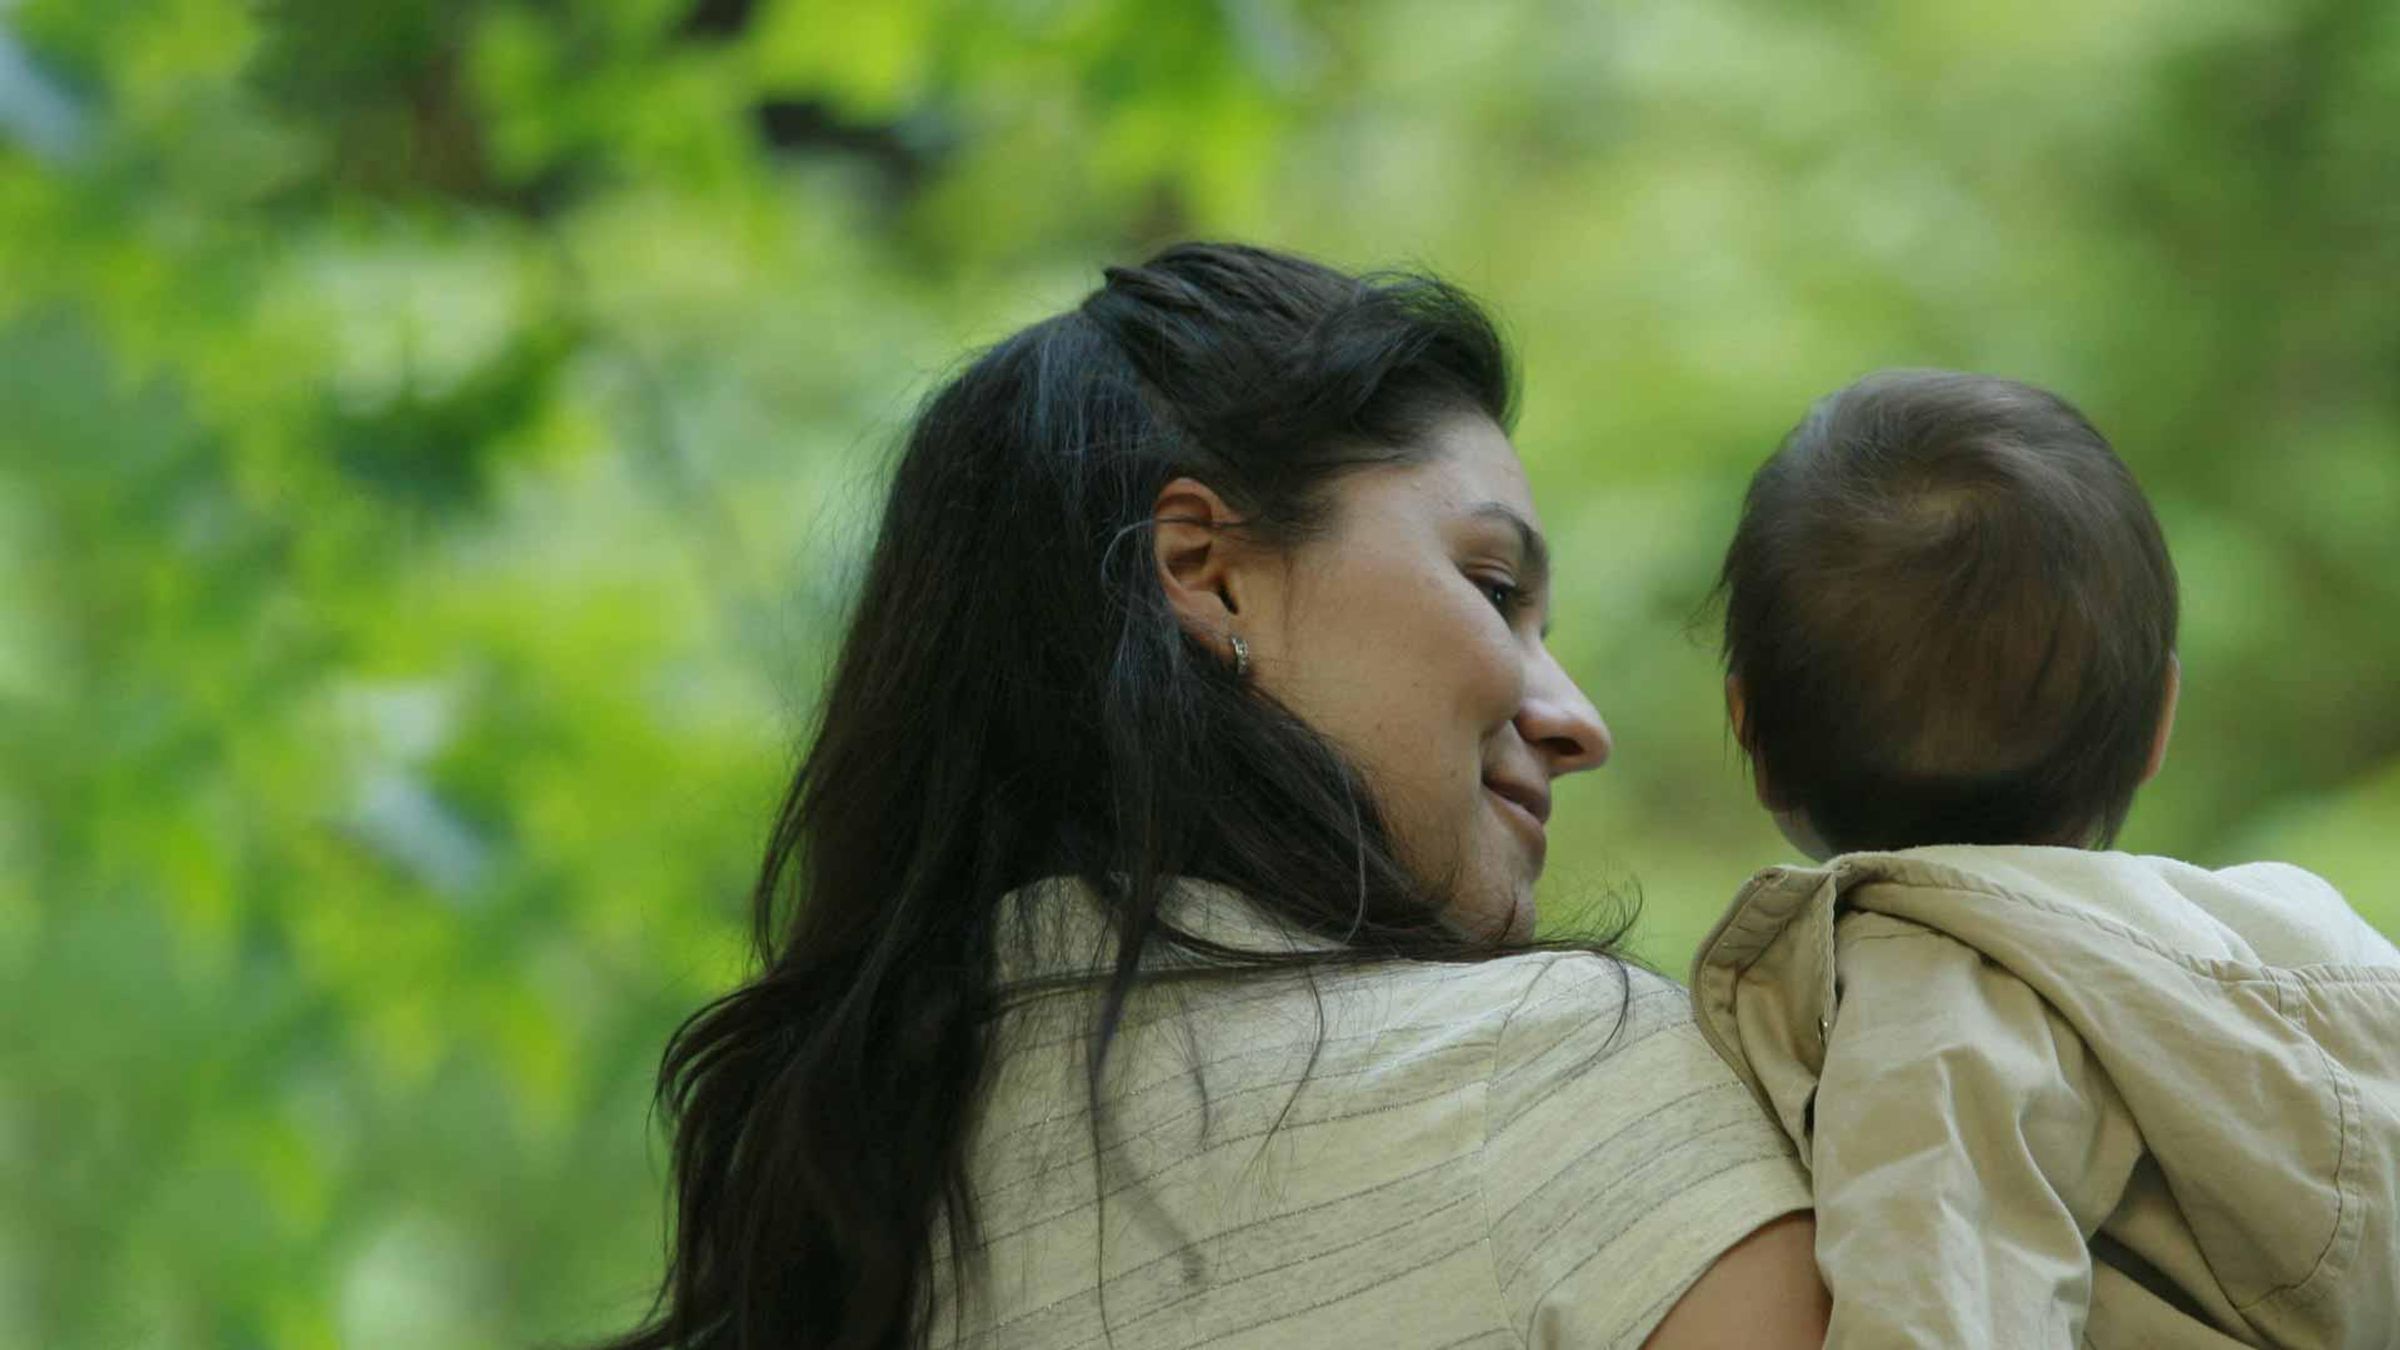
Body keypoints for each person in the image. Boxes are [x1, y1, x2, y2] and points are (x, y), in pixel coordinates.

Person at [599, 243, 1828, 1350]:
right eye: (1494, 585)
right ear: (1206, 569)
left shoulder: (840, 1221)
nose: (1577, 721)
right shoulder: (1556, 1080)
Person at [1695, 369, 2400, 1346]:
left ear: (1753, 738)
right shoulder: (2300, 934)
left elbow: (1940, 1315)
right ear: (2160, 718)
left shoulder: (1934, 1011)